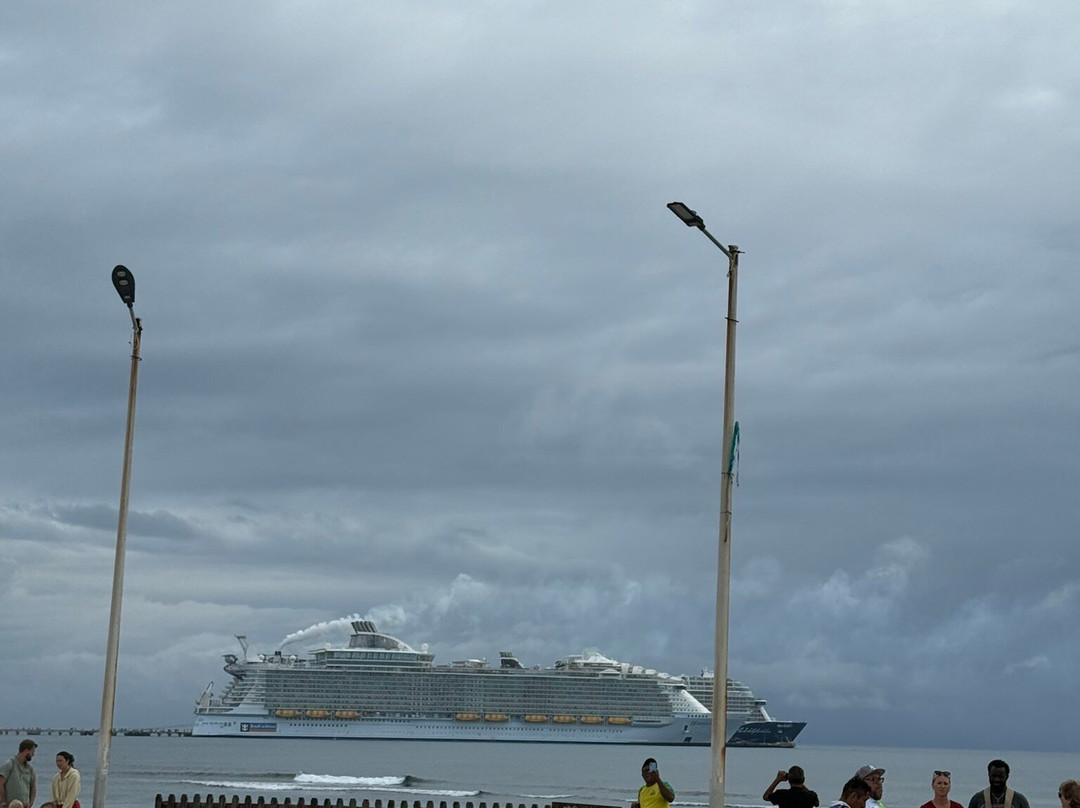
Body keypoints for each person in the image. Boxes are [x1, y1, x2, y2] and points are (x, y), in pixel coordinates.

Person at [0, 739, 37, 808]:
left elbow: (33, 787)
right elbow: (0, 783)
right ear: (26, 751)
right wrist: (3, 801)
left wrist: (31, 802)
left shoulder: (30, 768)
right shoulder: (10, 764)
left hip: (24, 806)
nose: (33, 755)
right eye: (32, 752)